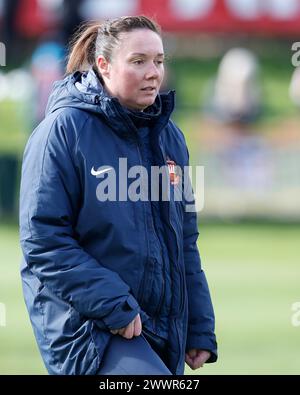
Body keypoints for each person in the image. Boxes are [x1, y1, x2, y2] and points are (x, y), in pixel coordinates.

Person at [19, 15, 217, 375]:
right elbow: (43, 241)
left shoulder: (171, 137)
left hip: (157, 323)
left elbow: (184, 240)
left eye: (158, 61)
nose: (153, 72)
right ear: (104, 66)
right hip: (87, 325)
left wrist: (199, 325)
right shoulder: (62, 132)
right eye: (138, 61)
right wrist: (114, 305)